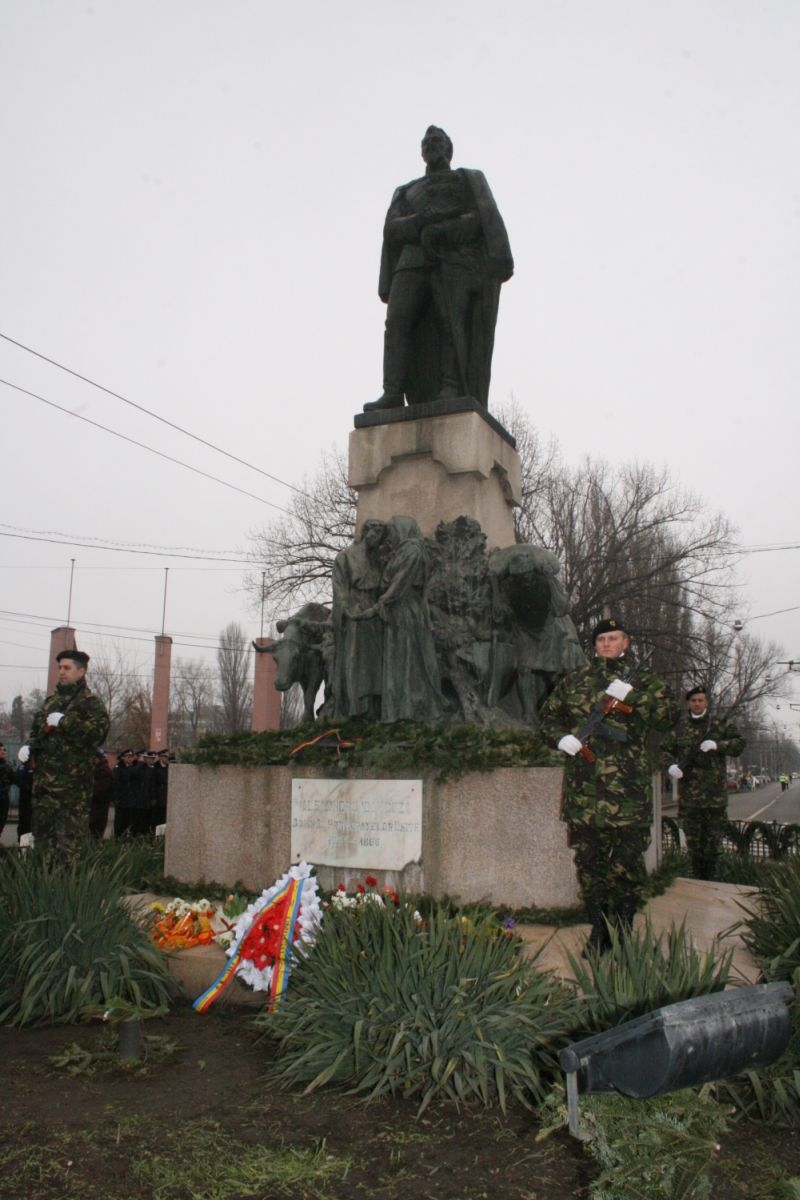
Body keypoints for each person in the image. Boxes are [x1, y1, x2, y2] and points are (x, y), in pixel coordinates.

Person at [539, 617, 680, 953]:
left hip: (628, 795)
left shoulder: (645, 681)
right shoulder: (576, 681)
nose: (606, 644)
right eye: (601, 639)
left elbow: (668, 717)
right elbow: (547, 717)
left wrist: (635, 697)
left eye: (613, 638)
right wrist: (561, 738)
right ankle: (599, 930)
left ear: (626, 643)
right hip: (584, 793)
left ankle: (623, 929)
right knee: (590, 867)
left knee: (627, 868)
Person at [365, 125, 513, 412]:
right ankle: (392, 391)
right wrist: (421, 221)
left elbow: (479, 219)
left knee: (450, 322)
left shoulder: (465, 180)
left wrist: (445, 229)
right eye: (426, 142)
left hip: (453, 260)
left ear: (448, 148)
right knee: (396, 322)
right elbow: (392, 229)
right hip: (411, 262)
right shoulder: (407, 191)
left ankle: (451, 386)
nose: (431, 144)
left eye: (437, 140)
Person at [17, 649, 110, 861]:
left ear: (81, 671)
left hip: (72, 792)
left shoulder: (91, 703)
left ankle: (70, 892)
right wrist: (29, 747)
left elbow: (97, 735)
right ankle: (44, 890)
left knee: (69, 850)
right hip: (44, 790)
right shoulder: (51, 702)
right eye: (59, 668)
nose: (61, 672)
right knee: (42, 848)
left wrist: (65, 722)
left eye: (67, 668)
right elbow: (37, 732)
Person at [666, 687, 745, 880]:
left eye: (701, 700)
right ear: (688, 703)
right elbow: (664, 749)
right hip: (689, 797)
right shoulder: (680, 727)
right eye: (693, 700)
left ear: (706, 702)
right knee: (693, 841)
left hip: (714, 797)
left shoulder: (719, 724)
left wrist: (719, 745)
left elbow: (740, 744)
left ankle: (711, 875)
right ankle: (696, 874)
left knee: (713, 841)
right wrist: (670, 766)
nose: (697, 703)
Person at [331, 519, 389, 719]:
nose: (377, 538)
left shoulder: (378, 560)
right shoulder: (346, 556)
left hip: (374, 612)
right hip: (356, 613)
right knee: (356, 660)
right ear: (366, 532)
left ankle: (373, 707)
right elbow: (339, 587)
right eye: (375, 533)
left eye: (381, 535)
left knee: (375, 662)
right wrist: (347, 609)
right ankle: (357, 707)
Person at [89, 748, 114, 839]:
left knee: (96, 829)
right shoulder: (97, 769)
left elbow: (101, 789)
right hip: (95, 805)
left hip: (100, 804)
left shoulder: (104, 771)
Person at [0, 743, 16, 840]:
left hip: (3, 800)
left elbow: (13, 779)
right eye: (0, 750)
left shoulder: (7, 766)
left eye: (4, 750)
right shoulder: (6, 767)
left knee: (2, 822)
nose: (3, 752)